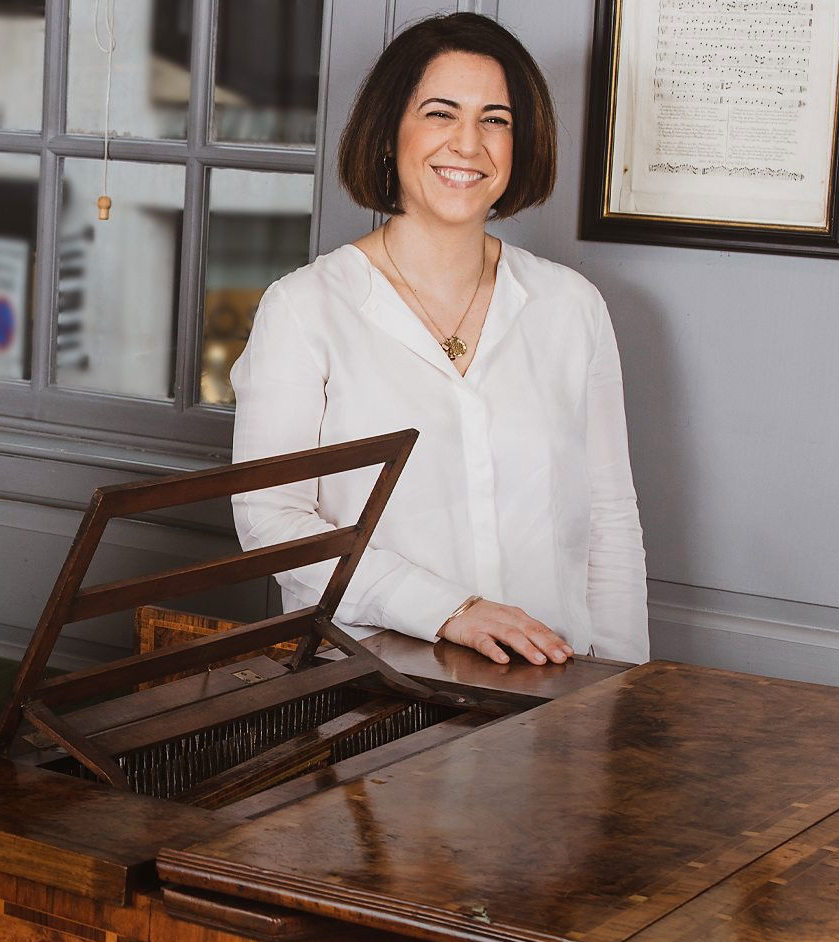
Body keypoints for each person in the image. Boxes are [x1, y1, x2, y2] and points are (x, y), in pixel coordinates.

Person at [230, 13, 649, 665]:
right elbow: (272, 522)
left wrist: (620, 686)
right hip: (373, 688)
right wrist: (448, 610)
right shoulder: (304, 309)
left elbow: (610, 521)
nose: (469, 143)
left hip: (555, 690)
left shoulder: (572, 307)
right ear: (387, 132)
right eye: (440, 113)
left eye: (495, 119)